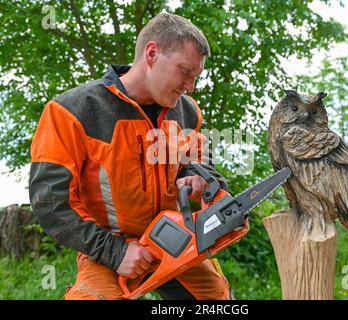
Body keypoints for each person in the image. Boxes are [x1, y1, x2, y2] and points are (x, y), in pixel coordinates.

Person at [29, 13, 232, 300]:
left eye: (195, 77)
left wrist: (194, 177)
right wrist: (115, 252)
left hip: (174, 238)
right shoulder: (71, 111)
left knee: (217, 299)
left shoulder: (187, 110)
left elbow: (196, 160)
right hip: (108, 246)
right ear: (152, 53)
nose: (190, 86)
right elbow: (50, 202)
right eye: (185, 71)